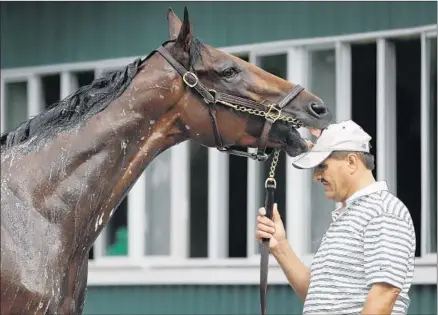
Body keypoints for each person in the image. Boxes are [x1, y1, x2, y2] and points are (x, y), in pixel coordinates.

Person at [256, 120, 416, 315]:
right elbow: (317, 296)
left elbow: (385, 293)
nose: (316, 176)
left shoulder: (383, 211)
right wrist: (280, 246)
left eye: (322, 166)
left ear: (351, 162)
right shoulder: (350, 215)